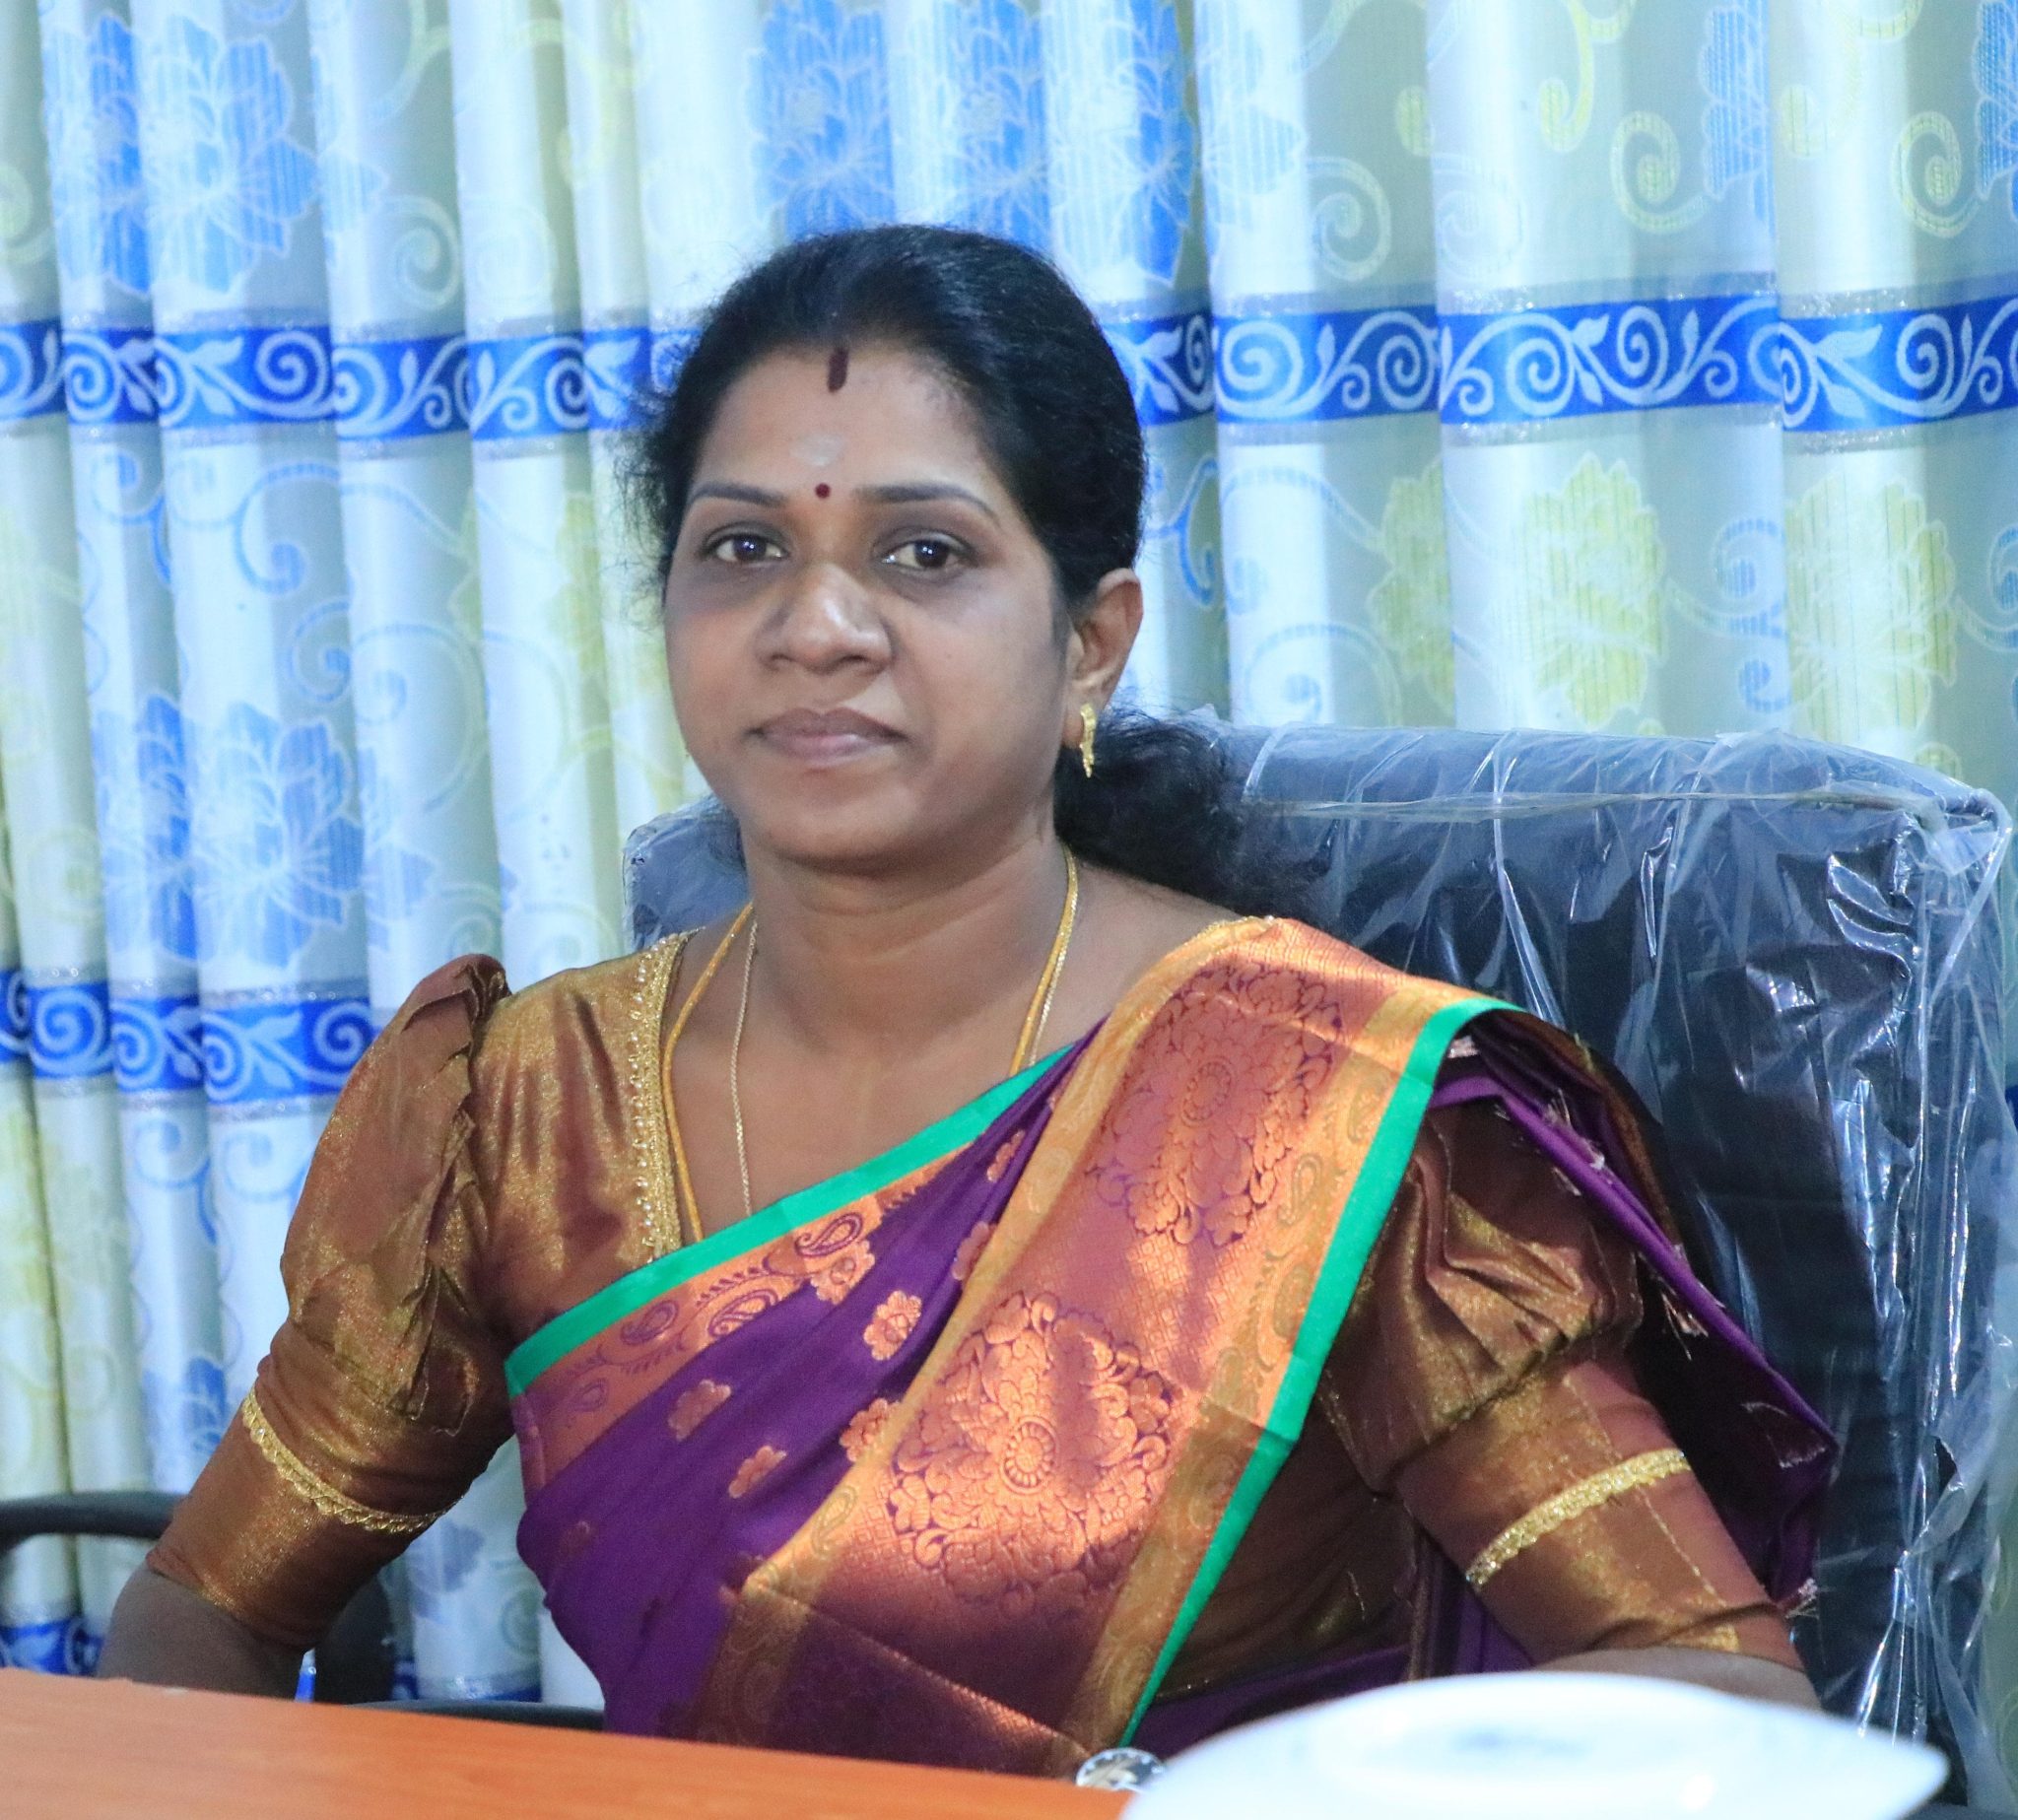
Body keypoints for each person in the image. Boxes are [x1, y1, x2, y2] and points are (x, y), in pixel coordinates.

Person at [101, 225, 1832, 1777]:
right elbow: (203, 1613)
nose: (817, 625)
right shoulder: (525, 1104)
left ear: (1093, 640)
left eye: (924, 554)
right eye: (740, 547)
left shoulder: (1336, 1116)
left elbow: (1711, 1700)